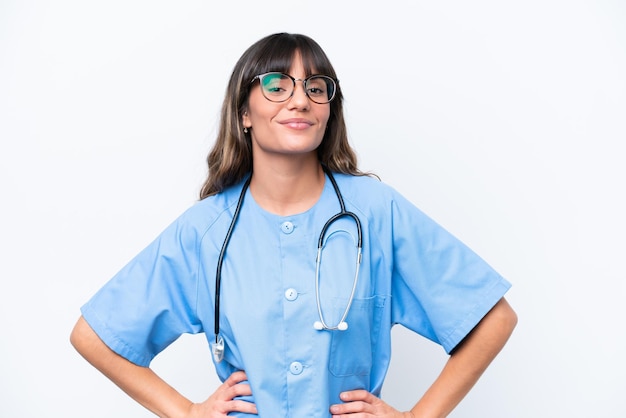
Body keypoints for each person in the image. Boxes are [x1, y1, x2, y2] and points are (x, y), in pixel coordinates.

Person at [70, 32, 517, 418]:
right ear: (244, 112)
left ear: (328, 111)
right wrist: (185, 410)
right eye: (276, 85)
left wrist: (421, 415)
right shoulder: (205, 231)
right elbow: (94, 336)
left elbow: (492, 318)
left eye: (316, 88)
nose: (300, 99)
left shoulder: (377, 212)